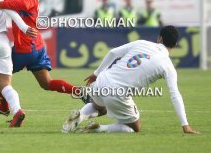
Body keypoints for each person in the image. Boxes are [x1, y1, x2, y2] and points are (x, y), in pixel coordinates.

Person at [62, 26, 199, 134]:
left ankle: (79, 116)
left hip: (102, 80)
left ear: (159, 38)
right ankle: (99, 128)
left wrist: (96, 73)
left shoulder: (142, 43)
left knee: (100, 107)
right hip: (118, 93)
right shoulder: (168, 66)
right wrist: (185, 125)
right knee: (135, 127)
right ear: (175, 45)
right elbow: (175, 95)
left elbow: (113, 52)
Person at [0, 0, 82, 117]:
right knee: (47, 83)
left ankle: (4, 107)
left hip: (25, 48)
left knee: (0, 75)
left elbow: (22, 3)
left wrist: (0, 5)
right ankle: (79, 92)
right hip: (36, 47)